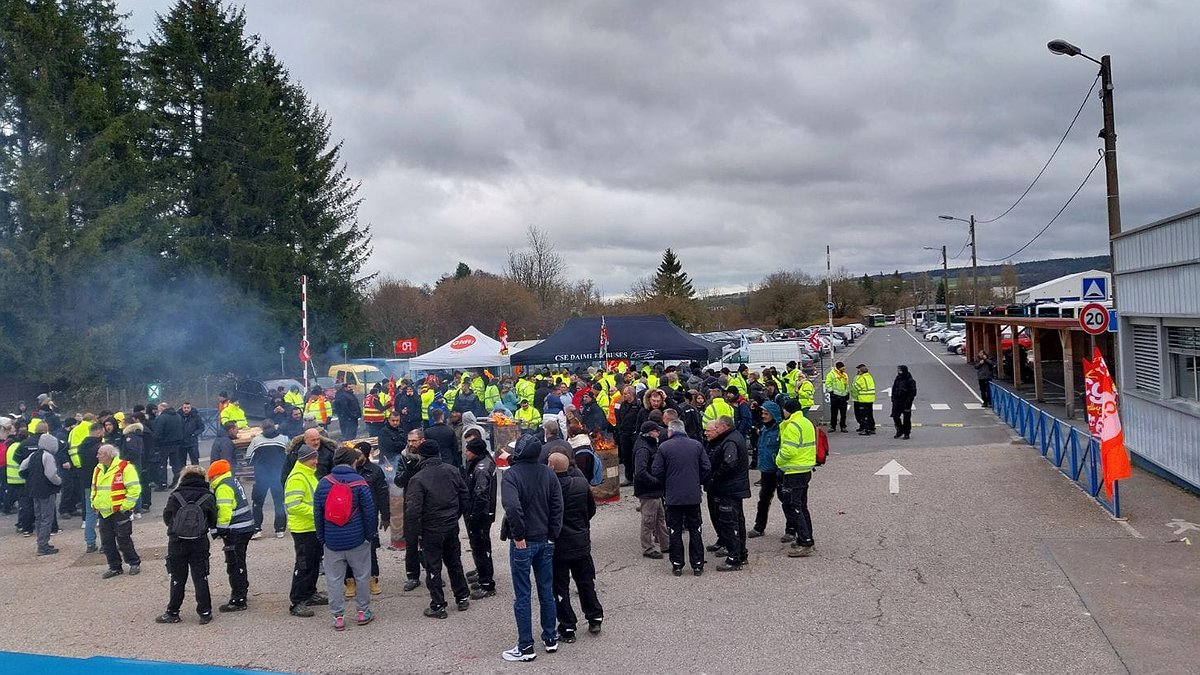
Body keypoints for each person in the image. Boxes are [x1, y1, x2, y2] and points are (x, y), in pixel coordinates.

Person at [500, 435, 564, 662]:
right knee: (546, 590)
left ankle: (526, 646)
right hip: (545, 541)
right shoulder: (548, 474)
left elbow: (512, 507)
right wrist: (552, 535)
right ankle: (550, 638)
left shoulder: (511, 476)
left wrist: (518, 535)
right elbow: (558, 506)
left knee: (523, 595)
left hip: (524, 542)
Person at [406, 440, 471, 619]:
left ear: (421, 456)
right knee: (454, 562)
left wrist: (416, 531)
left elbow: (413, 510)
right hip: (450, 524)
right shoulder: (452, 470)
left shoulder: (418, 479)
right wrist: (455, 514)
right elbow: (464, 495)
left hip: (431, 528)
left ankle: (438, 605)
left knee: (433, 567)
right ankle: (462, 596)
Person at [314, 447, 377, 630]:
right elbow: (369, 513)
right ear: (353, 461)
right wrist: (369, 535)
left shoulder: (324, 483)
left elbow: (318, 513)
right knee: (362, 576)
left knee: (334, 579)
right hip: (357, 539)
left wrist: (322, 537)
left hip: (332, 541)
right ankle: (363, 612)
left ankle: (338, 617)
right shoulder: (360, 482)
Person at [549, 453, 603, 642]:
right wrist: (582, 526)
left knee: (559, 588)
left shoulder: (549, 488)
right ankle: (595, 616)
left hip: (559, 546)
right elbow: (591, 509)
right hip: (580, 542)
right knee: (586, 582)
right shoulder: (581, 484)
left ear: (552, 467)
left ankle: (567, 626)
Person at [157, 465, 217, 624]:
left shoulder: (176, 495)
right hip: (199, 541)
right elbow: (213, 520)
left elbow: (167, 516)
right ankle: (205, 612)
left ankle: (173, 612)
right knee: (200, 576)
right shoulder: (208, 496)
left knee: (177, 576)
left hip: (177, 541)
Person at [652, 419, 711, 577]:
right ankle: (697, 564)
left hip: (673, 496)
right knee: (695, 529)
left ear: (670, 431)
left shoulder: (664, 447)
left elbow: (657, 470)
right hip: (693, 495)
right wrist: (697, 480)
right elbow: (706, 467)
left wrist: (667, 483)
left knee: (675, 530)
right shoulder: (697, 445)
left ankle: (677, 564)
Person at [209, 459, 255, 612]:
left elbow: (224, 511)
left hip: (236, 529)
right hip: (245, 526)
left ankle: (238, 598)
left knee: (234, 564)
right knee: (239, 561)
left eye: (211, 477)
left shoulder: (223, 487)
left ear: (216, 475)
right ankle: (242, 591)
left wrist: (220, 530)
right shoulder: (232, 481)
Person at [705, 417, 750, 571]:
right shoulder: (732, 437)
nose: (715, 429)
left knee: (731, 522)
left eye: (717, 426)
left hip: (730, 488)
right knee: (736, 521)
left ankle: (734, 558)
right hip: (733, 487)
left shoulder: (730, 441)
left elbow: (729, 463)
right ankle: (741, 554)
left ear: (724, 426)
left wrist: (714, 476)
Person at [285, 444, 325, 617]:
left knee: (314, 562)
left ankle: (310, 593)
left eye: (316, 457)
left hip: (311, 527)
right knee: (304, 564)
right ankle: (297, 601)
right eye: (313, 458)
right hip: (303, 529)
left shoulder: (308, 474)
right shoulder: (297, 477)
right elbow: (293, 506)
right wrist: (317, 514)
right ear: (304, 459)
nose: (316, 461)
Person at [92, 443, 142, 578]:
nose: (97, 456)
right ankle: (114, 566)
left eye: (100, 454)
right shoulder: (98, 469)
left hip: (119, 511)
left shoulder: (125, 467)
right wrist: (94, 503)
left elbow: (134, 489)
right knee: (107, 541)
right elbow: (95, 488)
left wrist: (125, 506)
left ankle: (134, 563)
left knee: (123, 539)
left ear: (108, 455)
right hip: (104, 511)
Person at [748, 401, 795, 542]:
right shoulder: (764, 429)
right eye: (762, 413)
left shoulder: (781, 429)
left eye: (766, 413)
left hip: (779, 471)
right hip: (766, 470)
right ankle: (759, 527)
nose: (763, 415)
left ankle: (791, 529)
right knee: (763, 500)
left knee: (786, 501)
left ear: (774, 414)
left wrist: (781, 469)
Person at [778, 400, 817, 557]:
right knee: (802, 506)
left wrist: (778, 461)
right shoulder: (805, 422)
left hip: (794, 470)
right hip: (805, 468)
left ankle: (805, 541)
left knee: (794, 506)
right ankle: (806, 538)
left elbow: (788, 451)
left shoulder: (792, 426)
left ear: (788, 411)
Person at [463, 437, 498, 600]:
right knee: (479, 547)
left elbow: (481, 495)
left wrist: (473, 516)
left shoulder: (481, 469)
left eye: (468, 450)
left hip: (480, 515)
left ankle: (487, 584)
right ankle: (481, 573)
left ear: (475, 452)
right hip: (480, 513)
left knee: (481, 547)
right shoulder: (480, 462)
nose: (465, 452)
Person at [352, 444, 389, 596]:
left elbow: (382, 494)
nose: (356, 458)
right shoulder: (349, 470)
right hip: (352, 517)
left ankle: (373, 579)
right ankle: (350, 581)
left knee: (370, 549)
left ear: (366, 455)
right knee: (350, 549)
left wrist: (386, 515)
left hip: (370, 516)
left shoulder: (375, 471)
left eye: (359, 455)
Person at [20, 431, 63, 556]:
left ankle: (41, 542)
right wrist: (59, 482)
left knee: (39, 517)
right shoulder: (48, 456)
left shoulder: (33, 455)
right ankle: (43, 546)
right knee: (46, 518)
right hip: (46, 490)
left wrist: (30, 478)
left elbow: (22, 468)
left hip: (33, 490)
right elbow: (51, 475)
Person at [393, 428, 426, 591]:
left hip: (428, 504)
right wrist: (408, 472)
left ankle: (433, 571)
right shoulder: (403, 457)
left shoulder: (429, 456)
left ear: (422, 441)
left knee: (428, 541)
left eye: (414, 440)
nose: (411, 443)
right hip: (410, 503)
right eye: (409, 440)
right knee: (411, 542)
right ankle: (412, 576)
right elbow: (398, 481)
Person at [632, 421, 669, 559]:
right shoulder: (643, 448)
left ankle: (666, 544)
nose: (658, 433)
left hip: (654, 490)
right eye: (656, 431)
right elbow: (640, 472)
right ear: (650, 433)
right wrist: (656, 482)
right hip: (648, 490)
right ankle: (648, 548)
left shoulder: (649, 444)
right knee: (648, 520)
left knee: (660, 518)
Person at [246, 421, 288, 538]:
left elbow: (248, 458)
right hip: (278, 476)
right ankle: (280, 529)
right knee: (279, 503)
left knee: (257, 503)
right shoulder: (284, 439)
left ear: (262, 429)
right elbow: (289, 456)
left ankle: (257, 529)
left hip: (261, 477)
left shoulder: (256, 440)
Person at [153, 402, 185, 486]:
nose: (158, 411)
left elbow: (157, 433)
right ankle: (177, 480)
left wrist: (156, 444)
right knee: (175, 464)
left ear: (162, 408)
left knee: (162, 464)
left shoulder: (161, 418)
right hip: (177, 443)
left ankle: (163, 483)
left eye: (159, 409)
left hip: (164, 444)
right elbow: (182, 428)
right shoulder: (178, 416)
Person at [891, 365, 917, 440]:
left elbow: (912, 393)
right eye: (898, 370)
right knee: (895, 416)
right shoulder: (897, 378)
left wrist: (908, 403)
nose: (899, 371)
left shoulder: (910, 380)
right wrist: (893, 398)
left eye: (900, 370)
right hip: (897, 401)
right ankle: (900, 429)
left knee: (906, 418)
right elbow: (894, 388)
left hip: (906, 401)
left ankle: (907, 432)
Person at [824, 361, 850, 433]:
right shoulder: (831, 374)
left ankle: (843, 426)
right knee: (834, 413)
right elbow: (828, 384)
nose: (844, 368)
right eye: (842, 367)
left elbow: (846, 385)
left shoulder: (845, 375)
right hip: (835, 397)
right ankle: (833, 426)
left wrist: (847, 394)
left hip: (843, 397)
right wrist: (831, 392)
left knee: (843, 413)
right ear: (839, 368)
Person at [851, 364, 877, 435]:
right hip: (870, 398)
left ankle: (866, 429)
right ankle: (871, 428)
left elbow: (855, 388)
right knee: (869, 414)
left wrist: (853, 395)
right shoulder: (869, 377)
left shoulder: (861, 378)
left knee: (863, 415)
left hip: (862, 399)